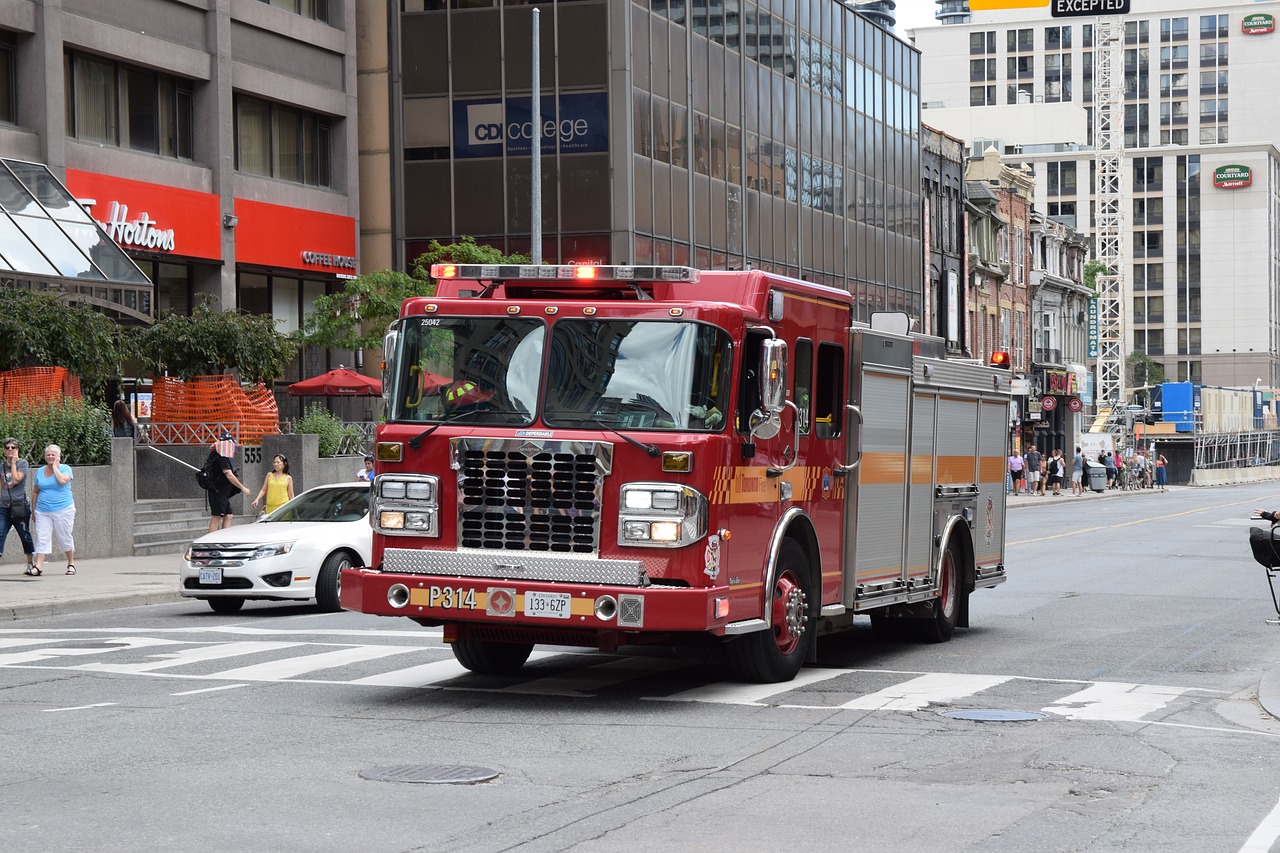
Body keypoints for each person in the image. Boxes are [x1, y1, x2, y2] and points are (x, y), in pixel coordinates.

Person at [30, 444, 75, 577]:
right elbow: (35, 491)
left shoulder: (65, 469)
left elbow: (62, 481)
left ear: (58, 457)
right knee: (42, 537)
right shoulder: (40, 471)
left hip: (63, 509)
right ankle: (38, 566)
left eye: (53, 455)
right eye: (48, 454)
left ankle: (71, 563)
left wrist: (55, 467)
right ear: (45, 457)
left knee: (64, 536)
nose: (50, 457)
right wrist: (34, 510)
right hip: (43, 510)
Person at [0, 437, 35, 574]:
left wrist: (13, 463)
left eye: (13, 447)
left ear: (17, 450)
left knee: (24, 534)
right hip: (3, 507)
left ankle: (30, 563)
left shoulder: (23, 464)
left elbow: (15, 479)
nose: (10, 450)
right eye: (7, 448)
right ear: (3, 450)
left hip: (19, 506)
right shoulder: (1, 466)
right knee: (0, 533)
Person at [206, 432, 252, 533]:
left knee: (229, 515)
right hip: (218, 490)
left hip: (223, 492)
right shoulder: (220, 455)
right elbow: (229, 474)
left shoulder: (219, 454)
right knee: (216, 516)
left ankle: (223, 539)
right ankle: (211, 542)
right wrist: (243, 488)